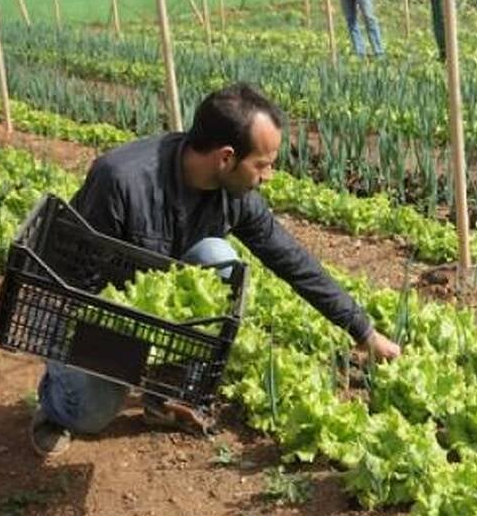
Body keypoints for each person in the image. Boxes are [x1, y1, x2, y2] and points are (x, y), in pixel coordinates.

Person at [31, 83, 402, 456]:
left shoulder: (233, 195)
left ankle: (165, 396)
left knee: (219, 259)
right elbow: (74, 282)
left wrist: (363, 331)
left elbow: (291, 259)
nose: (268, 176)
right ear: (226, 158)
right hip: (90, 308)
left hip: (151, 308)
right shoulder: (121, 180)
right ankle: (55, 406)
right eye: (263, 164)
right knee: (91, 414)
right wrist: (131, 352)